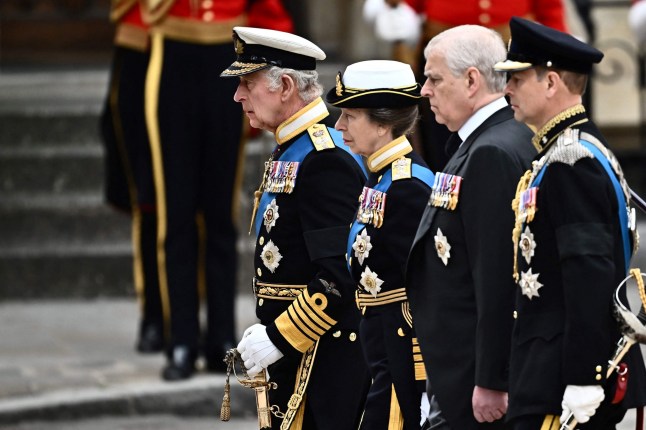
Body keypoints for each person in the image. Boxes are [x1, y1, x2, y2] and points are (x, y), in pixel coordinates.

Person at [493, 16, 646, 429]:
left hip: (560, 377)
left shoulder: (572, 162)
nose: (506, 90)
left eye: (517, 80)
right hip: (545, 367)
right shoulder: (567, 151)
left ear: (550, 83)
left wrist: (584, 376)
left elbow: (589, 272)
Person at [222, 27, 371, 429]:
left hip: (324, 361)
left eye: (247, 83)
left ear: (285, 85)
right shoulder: (294, 146)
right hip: (300, 353)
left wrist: (279, 335)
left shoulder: (323, 158)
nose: (238, 96)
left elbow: (340, 275)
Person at [142, 0, 293, 381]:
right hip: (174, 53)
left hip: (228, 56)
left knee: (221, 215)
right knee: (176, 214)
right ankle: (181, 339)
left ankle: (222, 336)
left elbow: (266, 10)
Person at [405, 25, 536, 429]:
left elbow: (496, 274)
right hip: (459, 370)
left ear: (472, 80)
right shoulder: (487, 140)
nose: (425, 90)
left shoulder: (492, 151)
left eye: (434, 78)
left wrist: (490, 380)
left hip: (473, 380)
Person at [327, 59, 434, 429]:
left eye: (350, 116)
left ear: (384, 124)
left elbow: (424, 294)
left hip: (401, 364)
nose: (338, 126)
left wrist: (422, 385)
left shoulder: (407, 187)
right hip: (380, 355)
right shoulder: (381, 178)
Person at [382, 0, 567, 175]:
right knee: (443, 140)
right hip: (447, 61)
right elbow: (405, 8)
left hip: (510, 60)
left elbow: (550, 12)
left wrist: (558, 61)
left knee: (513, 132)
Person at [100, 0, 165, 354]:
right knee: (149, 199)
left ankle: (197, 319)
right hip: (142, 42)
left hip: (206, 45)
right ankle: (155, 315)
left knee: (205, 207)